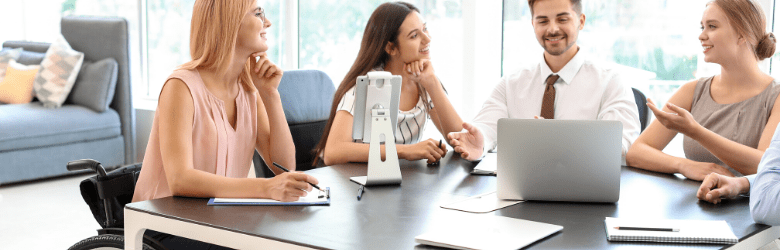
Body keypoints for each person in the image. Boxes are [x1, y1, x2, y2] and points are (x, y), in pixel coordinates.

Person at [133, 0, 319, 205]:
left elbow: (283, 166)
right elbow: (180, 180)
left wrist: (271, 95)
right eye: (258, 14)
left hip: (219, 221)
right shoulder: (180, 86)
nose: (268, 22)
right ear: (230, 23)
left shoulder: (249, 92)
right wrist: (265, 187)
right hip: (162, 225)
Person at [447, 0, 640, 163]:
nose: (553, 29)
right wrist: (480, 141)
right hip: (523, 190)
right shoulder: (512, 83)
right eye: (543, 21)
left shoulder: (610, 81)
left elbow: (619, 143)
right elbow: (487, 125)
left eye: (562, 19)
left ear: (581, 21)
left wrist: (557, 140)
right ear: (533, 24)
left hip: (587, 191)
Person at [625, 0, 780, 181]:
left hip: (750, 207)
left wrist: (696, 132)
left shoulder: (775, 97)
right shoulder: (692, 91)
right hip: (698, 203)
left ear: (742, 34)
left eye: (712, 26)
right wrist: (684, 165)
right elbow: (636, 153)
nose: (702, 36)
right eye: (702, 27)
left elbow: (766, 165)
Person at [314, 2, 464, 166]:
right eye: (414, 36)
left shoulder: (425, 80)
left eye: (425, 29)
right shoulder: (367, 85)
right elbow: (333, 152)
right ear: (391, 48)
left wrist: (432, 82)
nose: (427, 39)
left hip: (398, 181)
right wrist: (406, 150)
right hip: (354, 182)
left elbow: (460, 140)